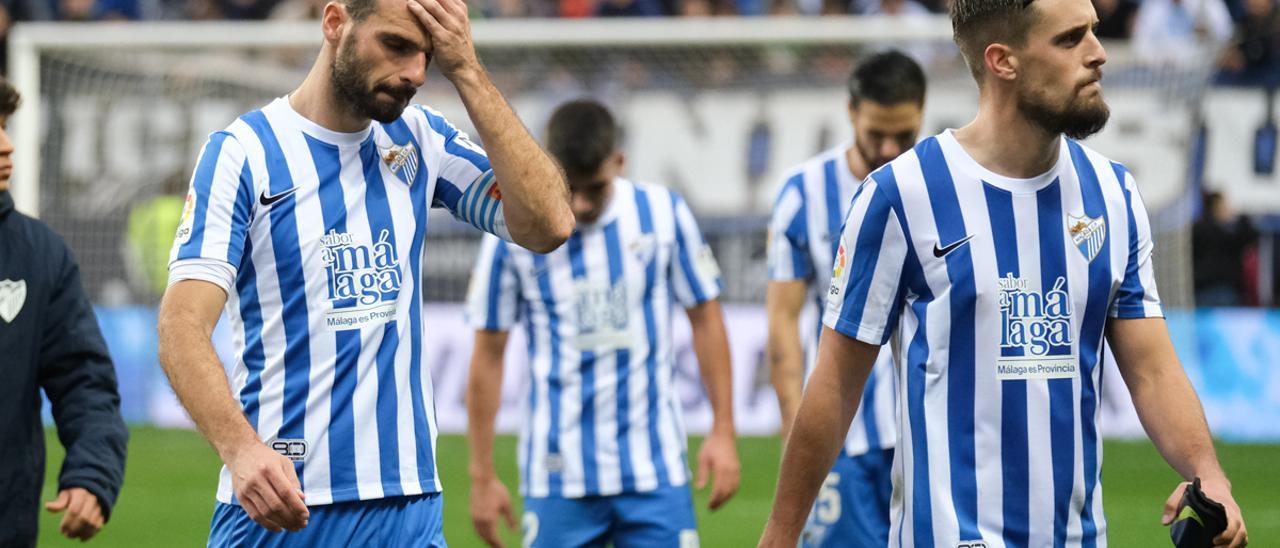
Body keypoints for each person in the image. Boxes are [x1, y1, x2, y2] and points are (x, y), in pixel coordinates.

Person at [759, 0, 1250, 545]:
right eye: (1070, 39)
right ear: (1002, 61)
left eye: (1093, 31)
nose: (1098, 53)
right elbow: (834, 384)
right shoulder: (901, 195)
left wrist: (1209, 473)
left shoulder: (1114, 194)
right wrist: (780, 536)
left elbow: (1152, 370)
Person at [156, 0, 575, 543]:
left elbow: (550, 223)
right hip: (282, 503)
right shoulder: (244, 153)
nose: (415, 74)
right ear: (335, 23)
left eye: (428, 57)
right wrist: (240, 450)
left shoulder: (421, 139)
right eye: (396, 45)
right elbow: (181, 325)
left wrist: (468, 70)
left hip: (408, 506)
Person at [465, 99, 740, 548]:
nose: (580, 203)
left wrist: (723, 429)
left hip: (654, 469)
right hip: (557, 475)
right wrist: (482, 475)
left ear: (619, 162)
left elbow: (706, 319)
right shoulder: (514, 230)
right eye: (570, 186)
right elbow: (488, 353)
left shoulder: (663, 214)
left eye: (593, 187)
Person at [766, 49, 925, 547]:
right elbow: (783, 321)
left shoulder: (941, 186)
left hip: (929, 432)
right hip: (846, 437)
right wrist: (795, 426)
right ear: (852, 111)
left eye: (904, 134)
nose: (889, 148)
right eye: (876, 133)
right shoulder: (803, 193)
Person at [0, 77, 128, 546]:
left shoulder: (39, 254)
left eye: (5, 125)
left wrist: (92, 473)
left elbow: (83, 381)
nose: (7, 145)